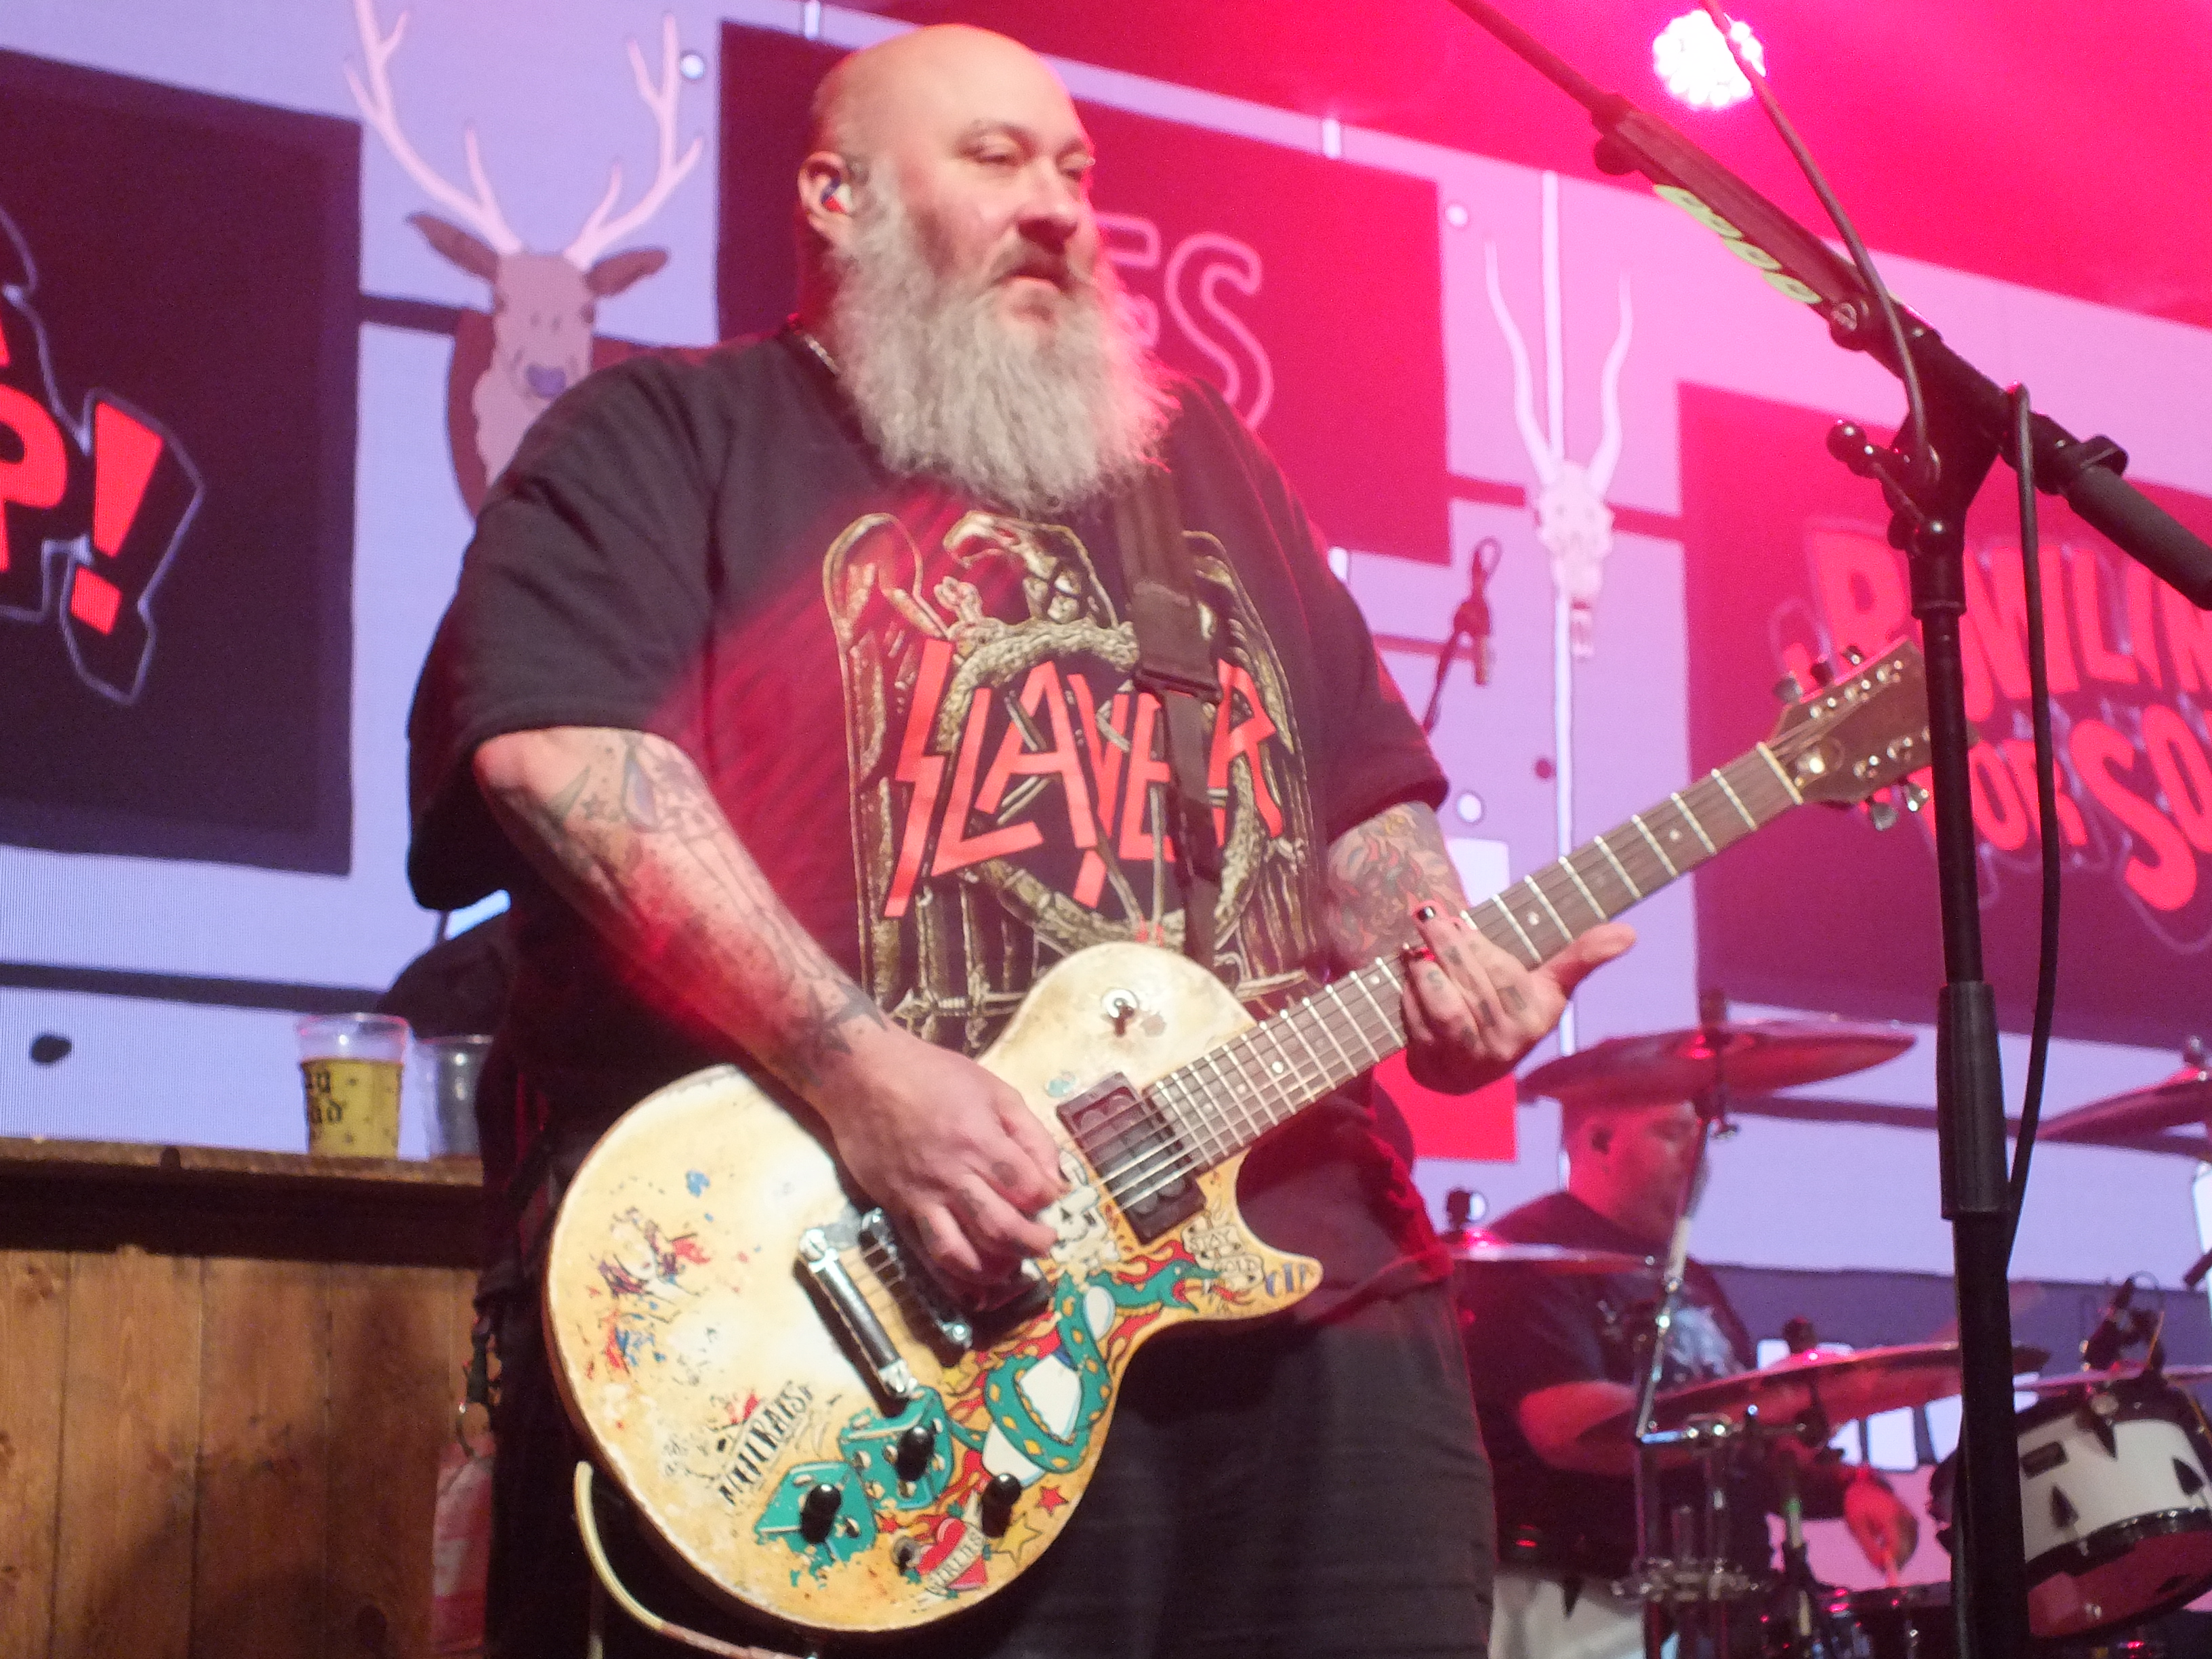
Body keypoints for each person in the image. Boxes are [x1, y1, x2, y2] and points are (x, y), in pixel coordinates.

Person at [403, 24, 1633, 1659]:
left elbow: (1357, 804)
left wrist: (1445, 957)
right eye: (994, 159)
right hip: (900, 1335)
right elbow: (560, 751)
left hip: (1319, 1305)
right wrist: (858, 1072)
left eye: (1074, 169)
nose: (1058, 204)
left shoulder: (1206, 466)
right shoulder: (666, 437)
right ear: (835, 196)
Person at [1460, 1096, 1919, 1659]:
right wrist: (1773, 1400)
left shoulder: (1689, 1277)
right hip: (1583, 1602)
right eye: (1673, 1134)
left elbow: (1739, 1450)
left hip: (1712, 1607)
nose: (1697, 1157)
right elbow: (1570, 1430)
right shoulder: (1531, 1255)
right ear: (1601, 1142)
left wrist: (1850, 1486)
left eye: (1704, 1138)